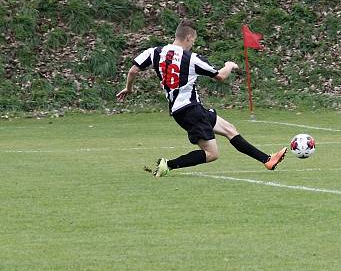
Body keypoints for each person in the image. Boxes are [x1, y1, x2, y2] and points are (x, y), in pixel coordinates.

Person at [117, 20, 287, 177]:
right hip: (190, 110)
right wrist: (229, 65)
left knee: (229, 129)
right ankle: (167, 165)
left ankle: (267, 160)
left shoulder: (154, 52)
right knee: (212, 154)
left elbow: (133, 71)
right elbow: (220, 76)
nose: (193, 44)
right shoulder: (191, 59)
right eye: (193, 41)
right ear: (189, 37)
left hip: (186, 109)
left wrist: (128, 88)